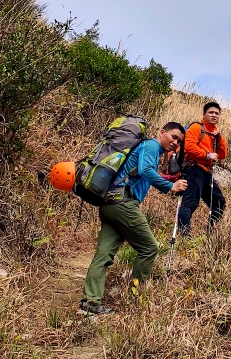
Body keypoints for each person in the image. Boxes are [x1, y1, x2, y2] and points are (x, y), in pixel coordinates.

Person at [80, 122, 187, 315]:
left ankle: (90, 302)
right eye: (173, 137)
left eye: (179, 141)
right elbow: (146, 170)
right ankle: (136, 299)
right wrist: (170, 187)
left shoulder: (148, 149)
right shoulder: (152, 146)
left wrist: (169, 180)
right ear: (162, 132)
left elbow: (143, 173)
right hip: (123, 204)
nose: (175, 143)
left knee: (104, 255)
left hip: (110, 204)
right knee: (150, 247)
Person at [175, 101, 228, 236]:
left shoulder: (215, 134)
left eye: (217, 113)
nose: (214, 115)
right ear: (204, 114)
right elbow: (189, 146)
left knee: (219, 202)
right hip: (194, 168)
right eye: (211, 112)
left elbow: (222, 155)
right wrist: (207, 155)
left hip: (206, 172)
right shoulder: (196, 127)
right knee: (190, 202)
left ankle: (210, 234)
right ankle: (184, 235)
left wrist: (220, 139)